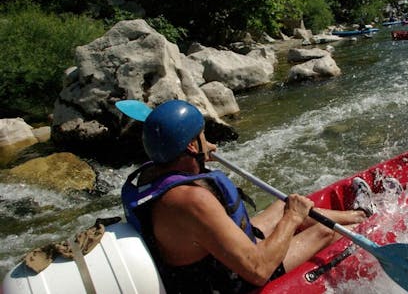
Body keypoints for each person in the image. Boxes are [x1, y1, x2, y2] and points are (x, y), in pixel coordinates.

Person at [121, 100, 367, 293]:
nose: (210, 144)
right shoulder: (191, 201)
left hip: (213, 258)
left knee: (282, 205)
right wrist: (292, 218)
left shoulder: (154, 175)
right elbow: (258, 270)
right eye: (203, 136)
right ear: (191, 147)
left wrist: (197, 158)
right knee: (324, 231)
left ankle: (359, 213)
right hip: (229, 281)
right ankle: (367, 226)